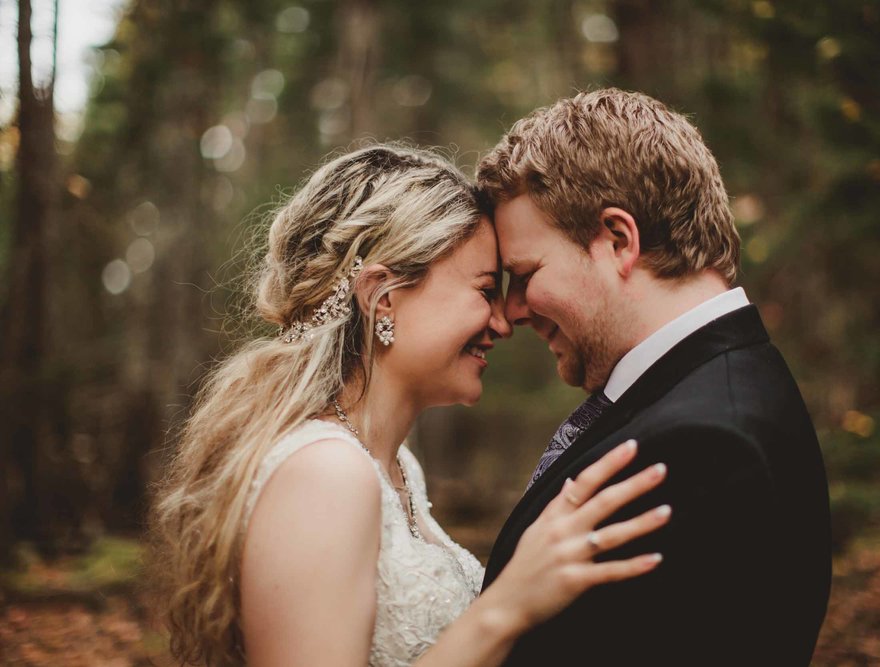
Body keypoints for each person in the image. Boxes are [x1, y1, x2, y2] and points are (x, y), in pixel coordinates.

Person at [150, 145, 674, 667]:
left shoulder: (399, 471)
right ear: (383, 297)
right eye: (485, 290)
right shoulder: (326, 473)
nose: (503, 322)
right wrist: (506, 607)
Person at [475, 88, 832, 665]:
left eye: (526, 274)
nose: (513, 311)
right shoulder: (714, 383)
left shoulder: (705, 447)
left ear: (618, 240)